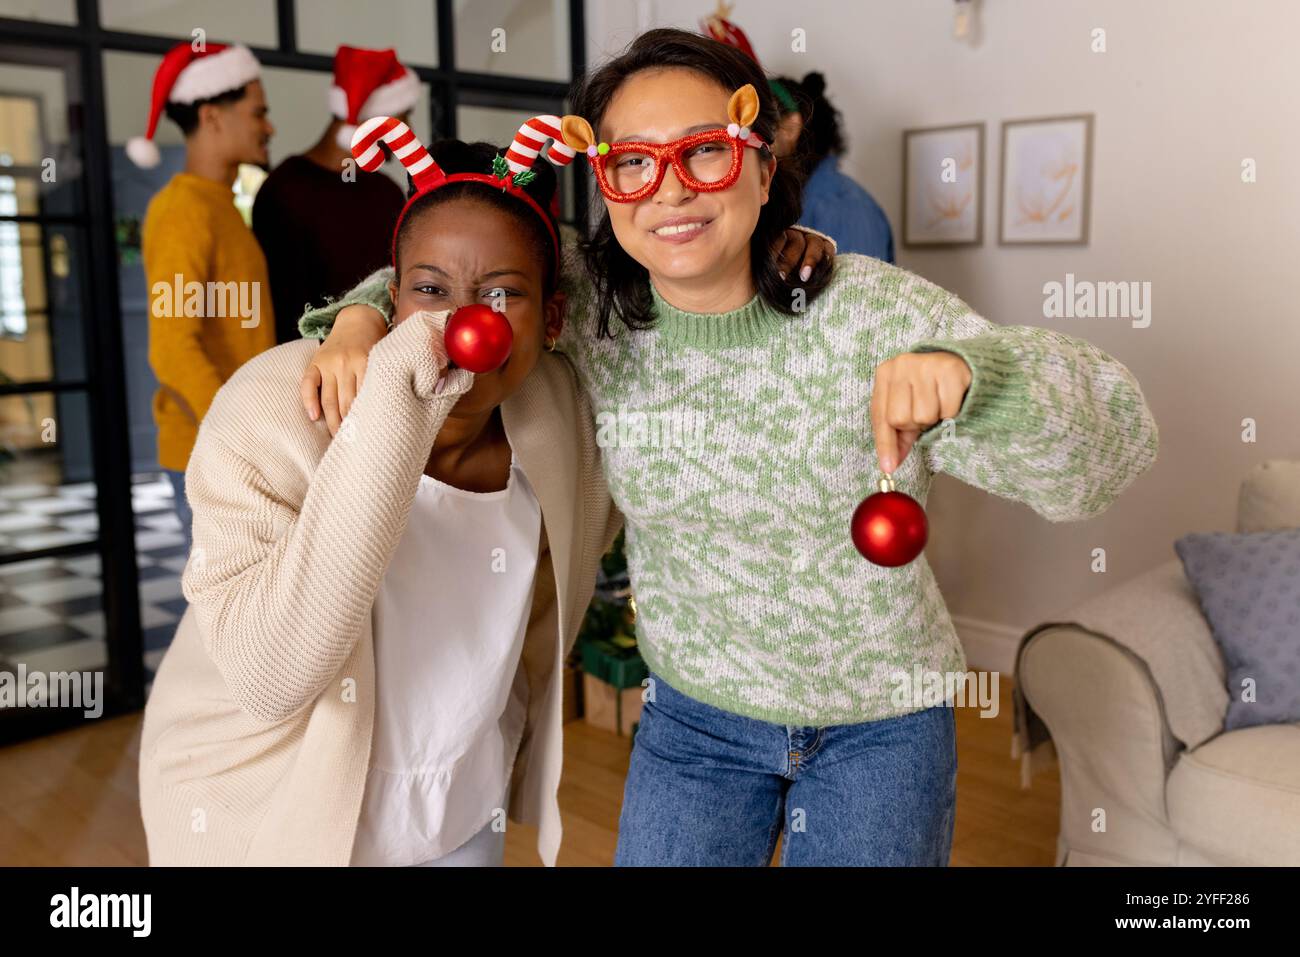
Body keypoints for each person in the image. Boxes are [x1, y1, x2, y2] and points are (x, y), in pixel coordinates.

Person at [300, 27, 1158, 868]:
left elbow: (1113, 447)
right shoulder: (593, 308)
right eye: (632, 161)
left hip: (880, 726)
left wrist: (979, 377)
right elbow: (454, 265)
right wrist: (359, 318)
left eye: (703, 151)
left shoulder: (876, 313)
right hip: (692, 723)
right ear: (604, 181)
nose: (667, 190)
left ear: (760, 162)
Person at [138, 124, 624, 867]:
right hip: (270, 820)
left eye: (503, 294)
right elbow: (274, 674)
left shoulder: (558, 415)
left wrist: (788, 249)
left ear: (552, 321)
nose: (466, 325)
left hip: (459, 807)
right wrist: (395, 398)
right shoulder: (272, 408)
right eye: (430, 292)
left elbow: (657, 296)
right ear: (395, 300)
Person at [128, 41, 278, 553]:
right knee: (226, 627)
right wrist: (237, 435)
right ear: (212, 116)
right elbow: (172, 348)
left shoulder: (222, 207)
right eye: (258, 112)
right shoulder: (182, 210)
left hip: (237, 448)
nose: (269, 127)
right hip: (214, 453)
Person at [252, 45, 411, 344]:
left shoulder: (387, 192)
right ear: (374, 119)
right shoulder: (285, 190)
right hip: (303, 369)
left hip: (381, 363)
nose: (408, 130)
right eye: (403, 117)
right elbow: (280, 302)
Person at [771, 71, 895, 262]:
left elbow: (860, 289)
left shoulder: (844, 207)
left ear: (791, 127)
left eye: (759, 123)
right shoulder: (792, 200)